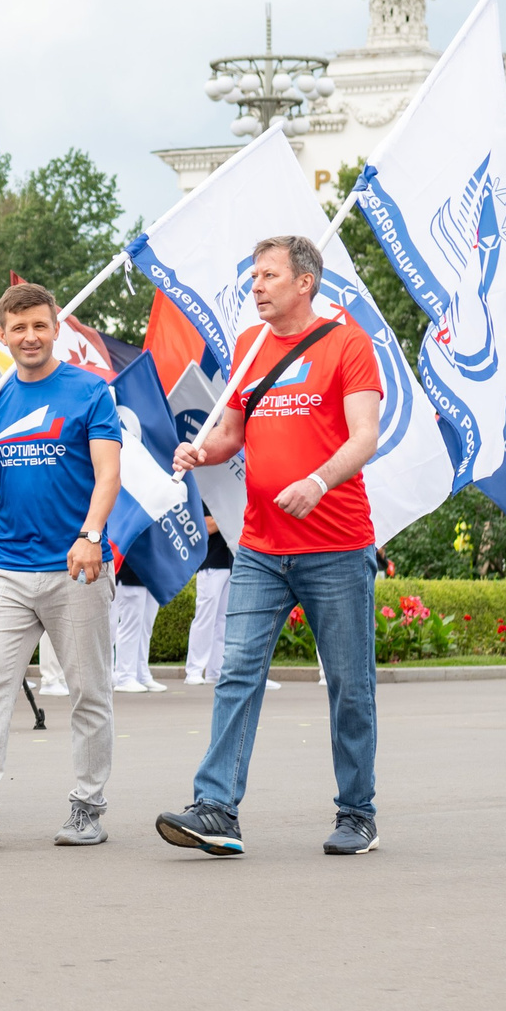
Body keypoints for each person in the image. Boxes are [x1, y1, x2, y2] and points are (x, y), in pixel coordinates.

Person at [159, 234, 386, 858]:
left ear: (304, 282)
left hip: (337, 545)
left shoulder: (347, 345)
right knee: (236, 675)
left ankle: (357, 813)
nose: (255, 286)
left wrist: (317, 481)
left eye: (267, 275)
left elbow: (365, 435)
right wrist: (202, 450)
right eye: (253, 276)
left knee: (348, 685)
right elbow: (231, 430)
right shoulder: (250, 346)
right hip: (260, 543)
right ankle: (217, 810)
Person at [0, 280, 122, 848]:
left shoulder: (89, 391)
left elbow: (108, 473)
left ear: (55, 328)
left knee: (88, 692)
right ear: (4, 335)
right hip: (8, 566)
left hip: (75, 565)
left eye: (40, 325)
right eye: (19, 328)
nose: (30, 336)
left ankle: (87, 807)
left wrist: (90, 535)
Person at [185, 516, 235, 686]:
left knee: (223, 620)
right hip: (210, 562)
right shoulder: (208, 495)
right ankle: (194, 669)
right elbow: (205, 526)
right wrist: (232, 515)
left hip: (231, 561)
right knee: (205, 617)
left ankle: (216, 670)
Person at [110, 554, 164, 693]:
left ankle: (141, 673)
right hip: (130, 569)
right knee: (130, 625)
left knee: (145, 627)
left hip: (152, 570)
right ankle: (125, 676)